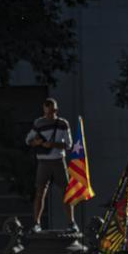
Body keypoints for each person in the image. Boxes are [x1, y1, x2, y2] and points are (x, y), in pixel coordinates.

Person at [26, 97, 74, 231]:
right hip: (43, 161)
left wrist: (53, 144)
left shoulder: (63, 124)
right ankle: (36, 223)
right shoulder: (39, 123)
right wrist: (36, 142)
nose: (49, 115)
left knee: (66, 192)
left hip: (58, 161)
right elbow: (28, 140)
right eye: (46, 112)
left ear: (56, 110)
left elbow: (69, 145)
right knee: (40, 192)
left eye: (51, 111)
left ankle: (71, 223)